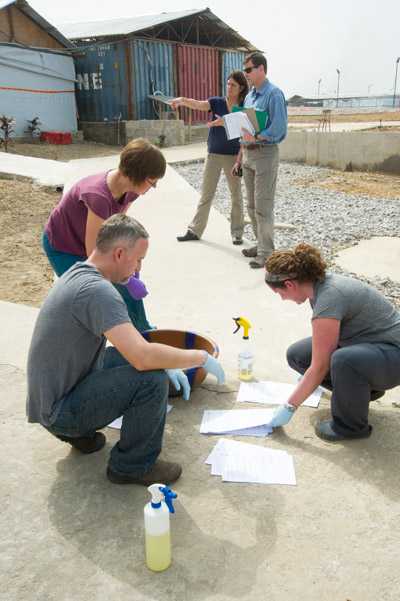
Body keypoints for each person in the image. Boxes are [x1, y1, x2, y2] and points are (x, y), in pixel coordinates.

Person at [27, 214, 225, 485]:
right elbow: (143, 358)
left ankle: (80, 436)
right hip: (60, 410)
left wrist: (164, 359)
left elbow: (132, 347)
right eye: (138, 260)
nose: (138, 268)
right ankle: (132, 466)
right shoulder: (99, 292)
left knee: (125, 356)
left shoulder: (78, 272)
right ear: (120, 253)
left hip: (47, 400)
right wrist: (198, 357)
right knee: (151, 379)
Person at [264, 243, 400, 441]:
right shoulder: (318, 286)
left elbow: (319, 367)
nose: (283, 299)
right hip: (373, 349)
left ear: (289, 284)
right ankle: (363, 394)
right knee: (298, 355)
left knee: (344, 360)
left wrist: (289, 406)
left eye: (280, 293)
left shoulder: (329, 299)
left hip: (394, 356)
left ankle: (349, 427)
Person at [42, 138, 165, 332]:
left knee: (126, 280)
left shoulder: (130, 189)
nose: (152, 188)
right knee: (93, 292)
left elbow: (118, 228)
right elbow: (95, 257)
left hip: (89, 243)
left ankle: (142, 331)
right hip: (63, 246)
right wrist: (124, 279)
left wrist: (131, 262)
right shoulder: (98, 196)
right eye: (152, 182)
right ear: (137, 175)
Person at [171, 71, 249, 245]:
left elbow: (246, 132)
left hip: (233, 157)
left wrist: (240, 158)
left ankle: (237, 233)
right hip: (213, 155)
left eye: (233, 85)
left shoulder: (244, 107)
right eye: (228, 84)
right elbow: (198, 104)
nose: (229, 87)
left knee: (236, 195)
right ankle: (195, 231)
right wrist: (182, 100)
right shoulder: (216, 102)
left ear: (241, 88)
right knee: (206, 194)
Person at [232, 52, 287, 269]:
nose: (245, 74)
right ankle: (260, 244)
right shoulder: (250, 97)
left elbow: (279, 129)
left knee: (263, 206)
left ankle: (267, 253)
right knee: (252, 205)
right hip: (248, 154)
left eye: (248, 70)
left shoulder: (274, 95)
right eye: (244, 70)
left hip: (265, 153)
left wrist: (256, 136)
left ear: (261, 69)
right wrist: (240, 153)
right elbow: (246, 125)